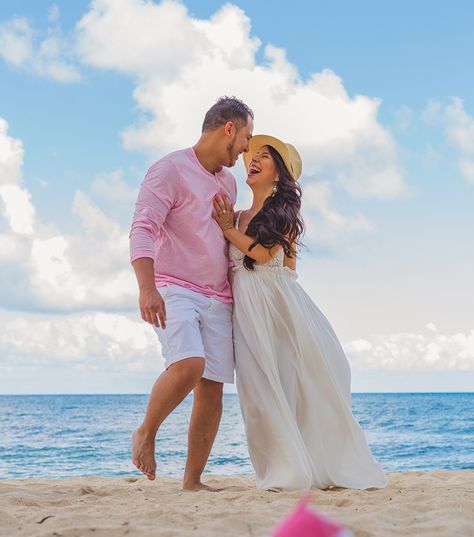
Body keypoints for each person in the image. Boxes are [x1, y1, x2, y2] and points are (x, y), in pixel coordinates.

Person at [212, 135, 388, 490]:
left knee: (288, 385)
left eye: (265, 156)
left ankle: (295, 471)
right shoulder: (240, 215)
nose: (254, 159)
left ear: (280, 174)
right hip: (247, 308)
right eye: (254, 155)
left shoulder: (282, 214)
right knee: (256, 392)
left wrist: (228, 229)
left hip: (277, 308)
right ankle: (281, 468)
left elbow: (262, 256)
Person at [129, 96, 254, 491]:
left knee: (212, 390)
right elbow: (142, 228)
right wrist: (147, 289)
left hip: (219, 296)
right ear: (228, 129)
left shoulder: (229, 182)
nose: (247, 148)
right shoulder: (169, 170)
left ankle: (192, 481)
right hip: (174, 287)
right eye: (246, 137)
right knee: (188, 364)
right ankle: (146, 431)